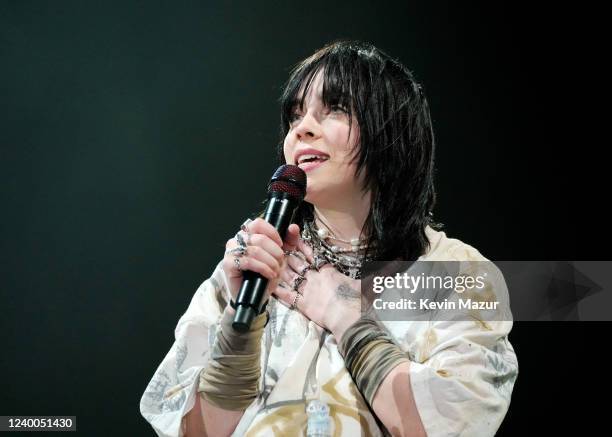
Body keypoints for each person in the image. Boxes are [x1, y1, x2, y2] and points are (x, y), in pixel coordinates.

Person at [140, 40, 518, 436]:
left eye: (334, 108)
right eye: (295, 116)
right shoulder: (252, 264)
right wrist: (239, 324)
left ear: (391, 131)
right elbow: (195, 432)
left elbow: (451, 423)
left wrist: (345, 317)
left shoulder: (455, 272)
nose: (301, 129)